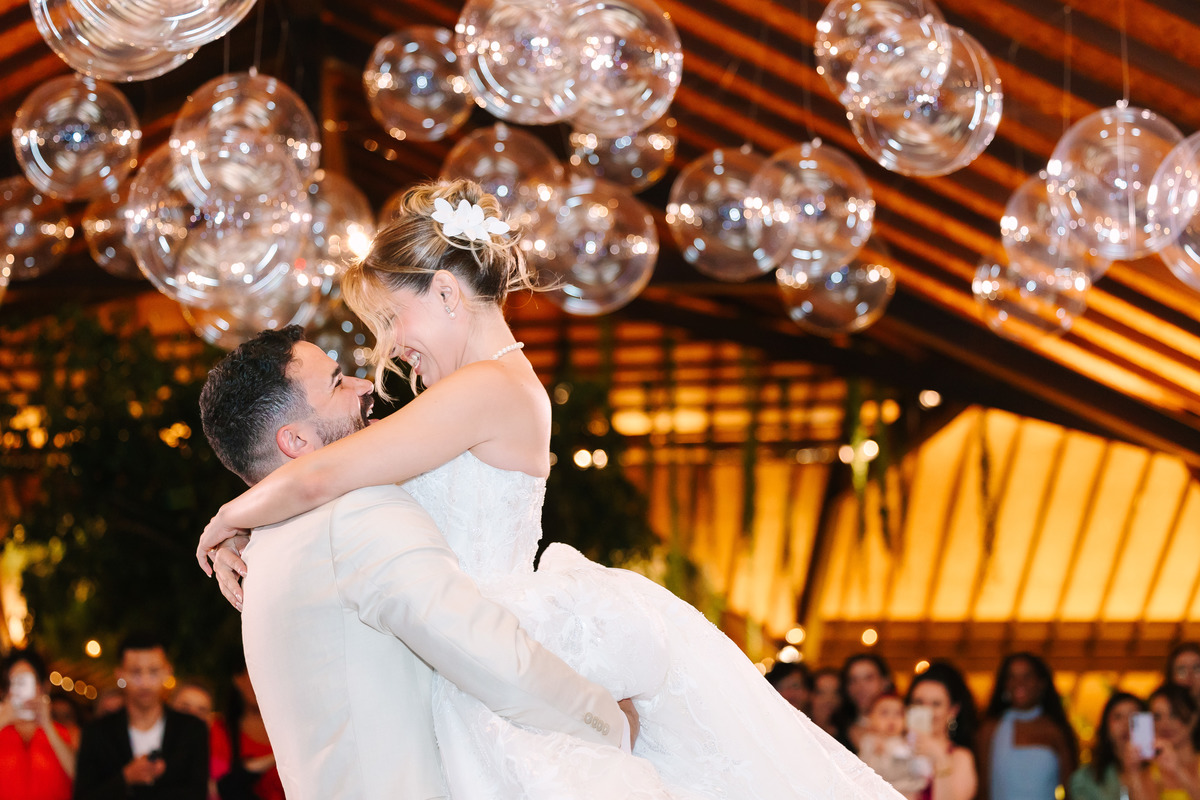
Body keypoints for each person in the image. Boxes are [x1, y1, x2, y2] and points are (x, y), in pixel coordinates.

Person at [197, 179, 904, 800]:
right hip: (472, 661)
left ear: (446, 292)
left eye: (392, 318)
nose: (389, 344)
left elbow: (322, 472)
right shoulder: (472, 388)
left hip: (499, 649)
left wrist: (227, 520)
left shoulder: (486, 386)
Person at [197, 326, 636, 799]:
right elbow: (483, 651)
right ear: (296, 441)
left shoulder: (263, 545)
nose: (363, 386)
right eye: (337, 382)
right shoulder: (353, 516)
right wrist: (605, 721)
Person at [72, 632, 208, 800]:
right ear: (120, 674)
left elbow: (197, 792)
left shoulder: (191, 730)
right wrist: (126, 778)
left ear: (167, 672)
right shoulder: (97, 732)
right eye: (136, 672)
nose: (144, 682)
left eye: (153, 672)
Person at [976, 652, 1078, 800]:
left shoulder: (1055, 731)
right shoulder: (989, 730)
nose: (1019, 683)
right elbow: (982, 789)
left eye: (1027, 676)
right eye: (1012, 677)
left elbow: (1071, 789)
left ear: (1041, 683)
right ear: (1004, 684)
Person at [0, 648, 75, 800]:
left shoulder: (64, 732)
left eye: (26, 682)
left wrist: (47, 726)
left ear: (43, 687)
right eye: (14, 682)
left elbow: (80, 775)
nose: (19, 691)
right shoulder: (2, 729)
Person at [904, 662, 978, 800]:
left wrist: (940, 759)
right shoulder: (896, 748)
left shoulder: (961, 757)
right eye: (919, 702)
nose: (927, 711)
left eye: (936, 704)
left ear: (952, 710)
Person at [1068, 691, 1148, 800]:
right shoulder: (1086, 778)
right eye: (1118, 717)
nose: (1126, 724)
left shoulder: (1158, 771)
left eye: (1133, 716)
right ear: (1106, 727)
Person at [858, 692, 931, 799]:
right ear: (871, 718)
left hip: (907, 790)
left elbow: (920, 771)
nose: (892, 719)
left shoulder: (908, 741)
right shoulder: (869, 741)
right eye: (884, 713)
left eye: (898, 714)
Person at [834, 653, 895, 751]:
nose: (860, 687)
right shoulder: (836, 729)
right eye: (853, 680)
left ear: (885, 682)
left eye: (868, 678)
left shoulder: (902, 727)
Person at [811, 667, 843, 736]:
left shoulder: (850, 734)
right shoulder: (799, 729)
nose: (828, 699)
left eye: (835, 693)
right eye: (821, 692)